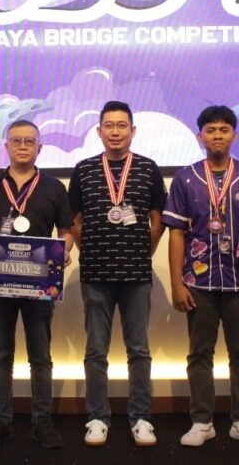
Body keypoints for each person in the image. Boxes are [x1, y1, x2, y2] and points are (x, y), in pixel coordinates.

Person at [162, 105, 239, 448]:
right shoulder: (185, 178)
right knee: (199, 353)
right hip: (199, 282)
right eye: (210, 130)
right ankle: (202, 421)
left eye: (224, 130)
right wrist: (177, 283)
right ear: (200, 136)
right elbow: (176, 233)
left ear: (235, 135)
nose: (217, 136)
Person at [0, 120, 74, 449]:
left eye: (30, 141)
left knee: (40, 356)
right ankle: (0, 421)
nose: (23, 146)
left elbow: (66, 231)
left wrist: (65, 250)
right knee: (1, 355)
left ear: (40, 147)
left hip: (40, 285)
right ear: (6, 146)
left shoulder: (54, 187)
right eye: (17, 141)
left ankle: (42, 422)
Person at [68, 100, 167, 447]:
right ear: (98, 131)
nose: (115, 131)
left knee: (139, 350)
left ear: (133, 130)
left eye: (122, 125)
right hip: (95, 274)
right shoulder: (83, 169)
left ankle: (141, 418)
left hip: (137, 275)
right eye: (108, 125)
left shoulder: (148, 168)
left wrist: (143, 252)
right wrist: (90, 251)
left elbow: (157, 220)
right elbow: (75, 221)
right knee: (96, 351)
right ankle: (97, 417)